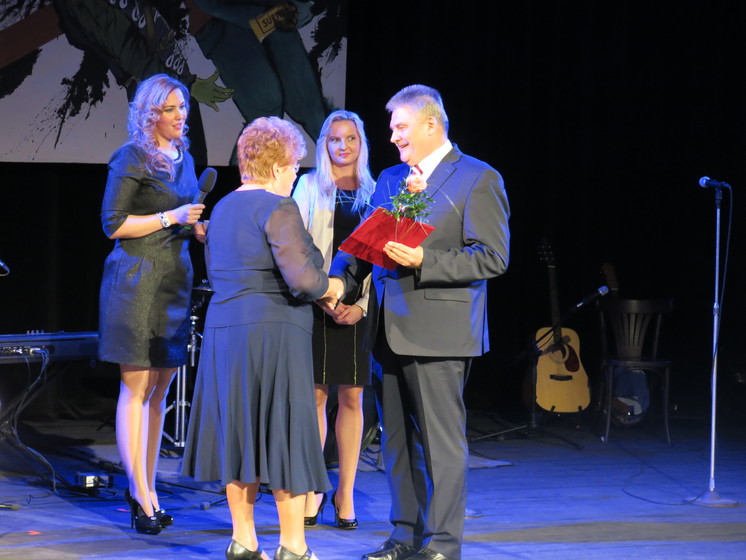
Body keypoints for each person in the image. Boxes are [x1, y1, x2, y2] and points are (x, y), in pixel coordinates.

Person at [328, 85, 510, 560]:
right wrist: (338, 282)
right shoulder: (391, 178)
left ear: (431, 124)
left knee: (440, 444)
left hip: (441, 335)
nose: (392, 137)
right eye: (392, 129)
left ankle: (443, 545)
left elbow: (492, 257)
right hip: (387, 330)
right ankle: (404, 536)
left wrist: (426, 260)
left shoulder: (477, 177)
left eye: (400, 127)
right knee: (396, 443)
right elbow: (364, 245)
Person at [181, 116, 344, 560]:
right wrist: (334, 286)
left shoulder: (222, 209)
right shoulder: (279, 207)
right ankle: (293, 546)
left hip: (225, 333)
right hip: (274, 333)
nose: (294, 175)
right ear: (275, 167)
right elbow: (304, 281)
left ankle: (243, 540)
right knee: (286, 435)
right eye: (292, 166)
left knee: (240, 434)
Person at [98, 73, 207, 535]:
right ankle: (139, 494)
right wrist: (170, 216)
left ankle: (149, 487)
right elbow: (113, 224)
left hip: (175, 279)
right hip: (136, 280)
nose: (181, 116)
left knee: (160, 390)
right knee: (137, 386)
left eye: (183, 107)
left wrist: (193, 226)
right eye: (170, 109)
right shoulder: (131, 157)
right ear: (150, 114)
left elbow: (180, 218)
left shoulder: (185, 157)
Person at [292, 110, 376, 529]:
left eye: (351, 139)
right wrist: (323, 294)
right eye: (335, 139)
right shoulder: (308, 186)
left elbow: (382, 259)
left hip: (357, 309)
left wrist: (361, 305)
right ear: (324, 144)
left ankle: (346, 492)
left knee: (352, 398)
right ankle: (313, 488)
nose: (343, 146)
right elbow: (296, 246)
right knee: (316, 397)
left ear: (362, 144)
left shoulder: (376, 192)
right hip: (315, 303)